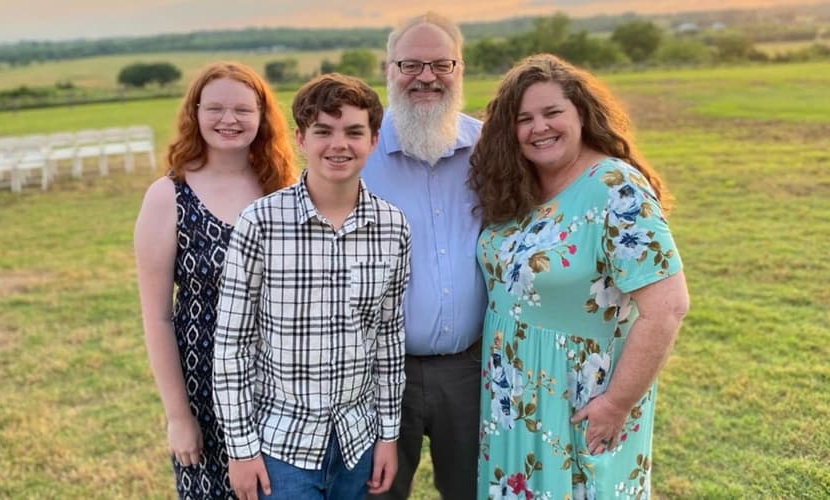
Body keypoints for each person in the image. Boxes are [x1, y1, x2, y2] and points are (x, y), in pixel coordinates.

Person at [467, 53, 690, 499]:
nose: (539, 127)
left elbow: (667, 308)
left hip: (579, 400)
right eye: (523, 118)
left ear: (582, 115)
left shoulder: (615, 187)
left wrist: (616, 404)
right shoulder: (519, 185)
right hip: (512, 399)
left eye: (552, 113)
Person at [213, 73, 412, 500]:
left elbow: (388, 340)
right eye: (323, 131)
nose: (338, 145)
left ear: (373, 140)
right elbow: (232, 345)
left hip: (358, 441)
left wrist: (388, 435)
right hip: (281, 447)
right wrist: (241, 450)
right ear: (301, 139)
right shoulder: (260, 223)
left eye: (353, 132)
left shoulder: (393, 227)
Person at [134, 61, 297, 499]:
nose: (229, 120)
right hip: (204, 393)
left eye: (243, 109)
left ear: (262, 116)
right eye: (216, 108)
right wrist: (178, 417)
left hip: (284, 391)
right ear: (196, 113)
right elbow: (158, 318)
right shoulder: (169, 196)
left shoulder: (283, 188)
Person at [362, 11, 487, 500]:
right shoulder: (356, 153)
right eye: (410, 64)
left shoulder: (491, 148)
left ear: (459, 70)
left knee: (474, 491)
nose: (427, 77)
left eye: (442, 64)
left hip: (472, 369)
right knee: (377, 494)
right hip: (379, 374)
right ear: (388, 69)